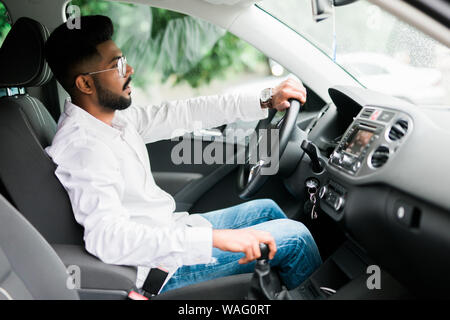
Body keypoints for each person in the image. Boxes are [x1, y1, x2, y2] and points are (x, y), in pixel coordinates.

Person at [44, 15, 322, 294]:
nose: (129, 69)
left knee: (268, 210)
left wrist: (265, 98)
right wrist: (213, 239)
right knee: (296, 239)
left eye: (123, 58)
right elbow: (107, 239)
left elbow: (185, 113)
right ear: (85, 85)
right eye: (115, 65)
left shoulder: (112, 120)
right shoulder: (84, 147)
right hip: (160, 270)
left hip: (171, 230)